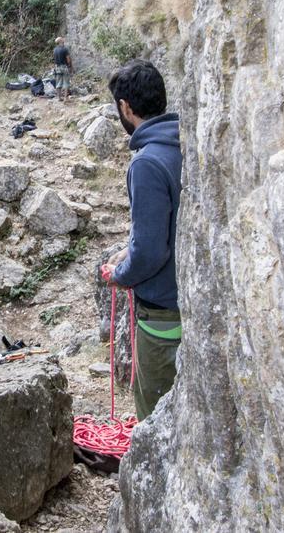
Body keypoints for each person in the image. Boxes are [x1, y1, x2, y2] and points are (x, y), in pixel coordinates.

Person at [102, 60, 182, 421]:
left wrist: (122, 274)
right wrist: (128, 248)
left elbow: (150, 251)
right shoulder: (181, 143)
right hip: (187, 298)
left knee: (154, 413)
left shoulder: (146, 163)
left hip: (163, 312)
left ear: (125, 108)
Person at [52, 37, 73, 101]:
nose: (64, 40)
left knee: (58, 83)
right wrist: (70, 66)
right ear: (61, 41)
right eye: (62, 39)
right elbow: (68, 59)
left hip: (57, 67)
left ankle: (59, 98)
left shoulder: (55, 50)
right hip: (64, 67)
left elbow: (54, 59)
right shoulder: (65, 49)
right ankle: (65, 98)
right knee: (66, 82)